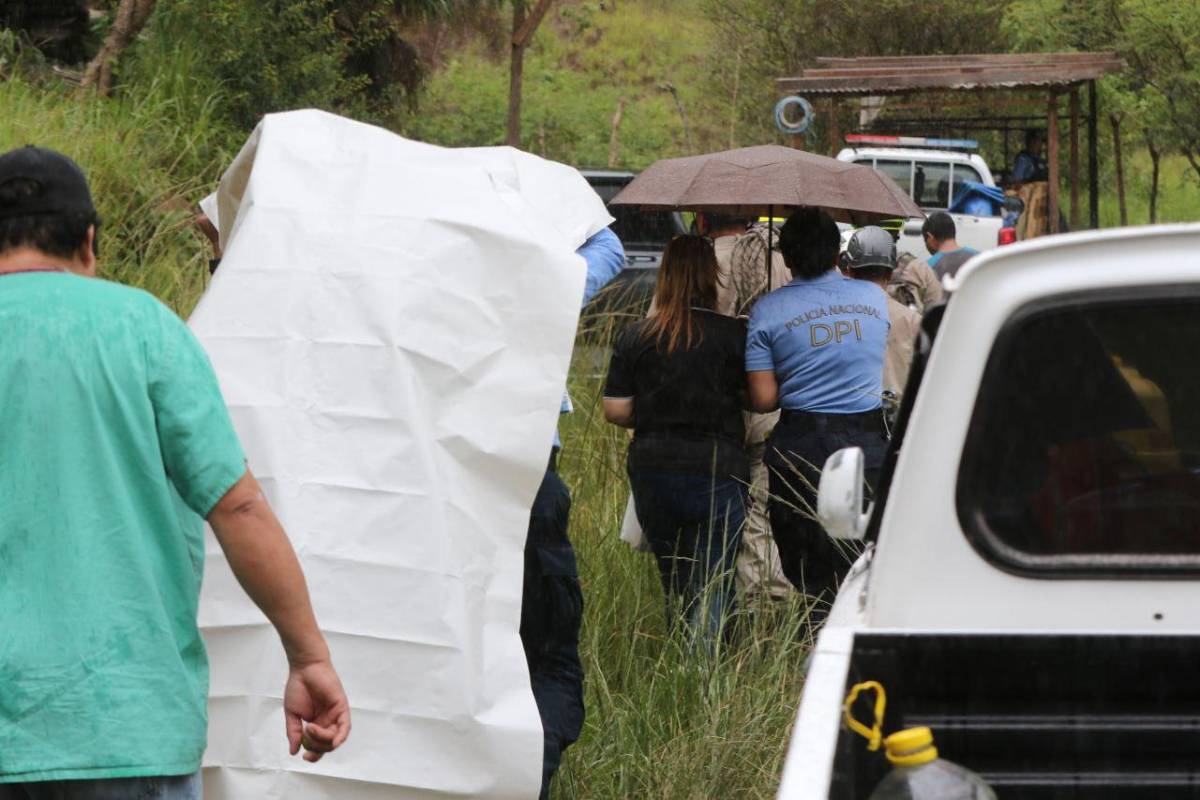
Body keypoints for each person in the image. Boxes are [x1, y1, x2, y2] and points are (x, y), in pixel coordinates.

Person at [0, 146, 350, 799]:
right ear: (89, 241)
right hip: (127, 727)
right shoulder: (143, 330)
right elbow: (238, 507)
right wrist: (308, 656)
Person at [603, 235, 749, 646]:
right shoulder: (734, 335)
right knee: (715, 577)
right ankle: (702, 670)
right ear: (711, 276)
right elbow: (757, 398)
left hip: (654, 468)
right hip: (718, 466)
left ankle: (681, 658)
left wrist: (656, 409)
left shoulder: (636, 335)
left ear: (664, 277)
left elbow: (615, 409)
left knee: (677, 578)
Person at [745, 208, 889, 622]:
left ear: (787, 257)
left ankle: (816, 628)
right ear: (837, 255)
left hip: (801, 447)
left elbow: (764, 398)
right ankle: (855, 624)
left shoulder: (767, 310)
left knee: (806, 560)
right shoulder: (873, 298)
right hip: (867, 444)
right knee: (861, 551)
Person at [521, 224, 624, 799]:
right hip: (532, 474)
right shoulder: (536, 284)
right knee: (546, 643)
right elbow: (607, 246)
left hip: (450, 479)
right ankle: (535, 770)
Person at [695, 212, 793, 600]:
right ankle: (764, 610)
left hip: (707, 414)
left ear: (702, 218)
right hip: (769, 407)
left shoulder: (696, 263)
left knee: (709, 522)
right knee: (761, 517)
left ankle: (714, 607)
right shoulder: (778, 259)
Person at [841, 226, 922, 405]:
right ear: (890, 273)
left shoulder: (832, 317)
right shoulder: (913, 321)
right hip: (899, 417)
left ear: (850, 271)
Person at [922, 211, 979, 282]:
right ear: (953, 232)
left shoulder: (927, 269)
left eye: (925, 240)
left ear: (930, 237)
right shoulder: (980, 258)